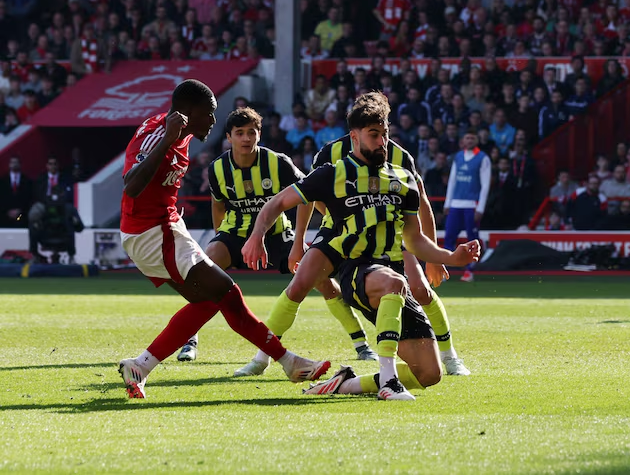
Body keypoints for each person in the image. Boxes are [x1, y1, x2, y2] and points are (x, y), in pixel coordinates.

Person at [241, 91, 480, 400]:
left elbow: (415, 238)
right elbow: (279, 202)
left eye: (385, 134)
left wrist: (451, 256)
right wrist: (259, 236)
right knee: (311, 284)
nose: (382, 141)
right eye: (374, 135)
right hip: (355, 268)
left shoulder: (403, 177)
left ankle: (346, 384)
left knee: (429, 374)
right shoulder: (332, 171)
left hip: (391, 270)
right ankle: (387, 380)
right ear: (354, 136)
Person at [116, 79, 329, 399]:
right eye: (209, 114)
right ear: (187, 112)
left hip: (164, 227)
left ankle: (141, 366)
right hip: (152, 233)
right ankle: (289, 361)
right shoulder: (162, 134)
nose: (214, 122)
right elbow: (131, 186)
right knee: (226, 292)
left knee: (214, 299)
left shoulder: (181, 133)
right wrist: (167, 141)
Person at [175, 107, 350, 362]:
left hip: (278, 234)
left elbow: (306, 197)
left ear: (259, 134)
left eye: (251, 132)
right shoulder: (217, 169)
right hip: (235, 234)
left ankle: (360, 342)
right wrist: (219, 237)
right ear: (229, 137)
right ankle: (189, 340)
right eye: (240, 133)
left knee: (320, 279)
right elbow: (218, 205)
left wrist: (299, 243)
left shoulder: (278, 162)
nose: (246, 138)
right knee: (204, 273)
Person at [443, 130, 491, 282]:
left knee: (472, 239)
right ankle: (444, 270)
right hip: (456, 204)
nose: (469, 141)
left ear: (477, 140)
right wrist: (447, 202)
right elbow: (452, 181)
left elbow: (485, 185)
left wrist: (481, 208)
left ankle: (469, 271)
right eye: (467, 138)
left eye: (472, 138)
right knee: (449, 236)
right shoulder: (458, 157)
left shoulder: (483, 158)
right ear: (463, 140)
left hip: (472, 205)